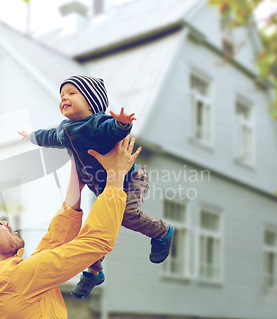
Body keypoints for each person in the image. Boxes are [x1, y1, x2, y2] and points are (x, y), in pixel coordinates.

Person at [0, 135, 141, 319]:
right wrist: (116, 175)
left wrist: (76, 173)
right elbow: (97, 241)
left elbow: (53, 244)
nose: (5, 223)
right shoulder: (13, 279)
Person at [18, 75, 174, 299]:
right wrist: (32, 136)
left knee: (126, 216)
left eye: (72, 93)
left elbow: (113, 129)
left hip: (131, 180)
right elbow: (49, 136)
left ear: (91, 101)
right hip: (105, 189)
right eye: (62, 95)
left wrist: (122, 123)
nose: (64, 98)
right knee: (96, 226)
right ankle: (94, 272)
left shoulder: (97, 123)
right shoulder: (64, 129)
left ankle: (162, 232)